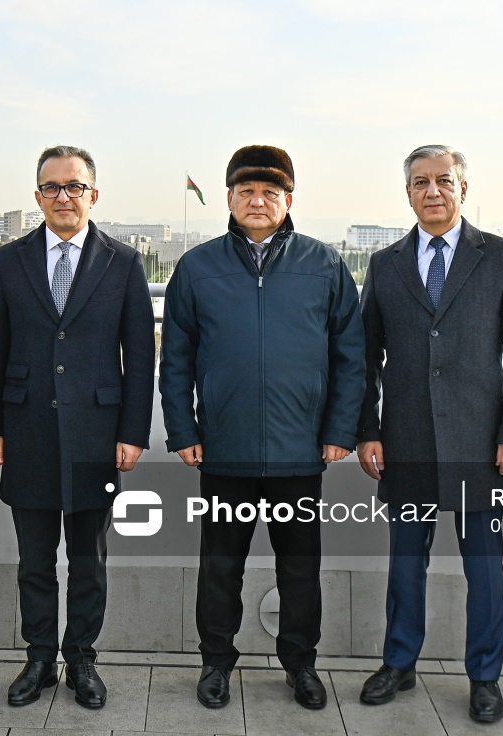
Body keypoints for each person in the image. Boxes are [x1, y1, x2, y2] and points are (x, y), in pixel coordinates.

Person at [160, 145, 365, 711]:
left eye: (270, 192)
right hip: (223, 451)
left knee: (300, 569)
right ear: (229, 198)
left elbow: (351, 358)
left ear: (288, 200)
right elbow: (175, 359)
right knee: (220, 568)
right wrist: (183, 431)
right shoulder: (197, 267)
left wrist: (339, 430)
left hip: (300, 452)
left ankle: (300, 665)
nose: (257, 201)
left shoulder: (324, 265)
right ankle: (215, 663)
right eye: (246, 191)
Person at [355, 144, 503, 724]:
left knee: (483, 569)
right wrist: (368, 430)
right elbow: (364, 357)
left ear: (463, 188)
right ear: (407, 192)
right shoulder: (385, 264)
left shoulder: (501, 257)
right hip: (405, 440)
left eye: (443, 180)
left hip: (481, 445)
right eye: (420, 182)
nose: (432, 191)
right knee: (405, 565)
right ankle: (399, 662)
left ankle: (485, 676)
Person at [0, 145, 155, 710]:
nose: (63, 196)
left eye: (74, 186)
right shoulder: (9, 260)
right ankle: (38, 659)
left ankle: (81, 659)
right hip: (24, 429)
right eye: (51, 187)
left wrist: (132, 432)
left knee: (88, 561)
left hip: (96, 435)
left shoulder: (123, 263)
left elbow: (139, 357)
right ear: (37, 197)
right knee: (34, 561)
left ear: (92, 195)